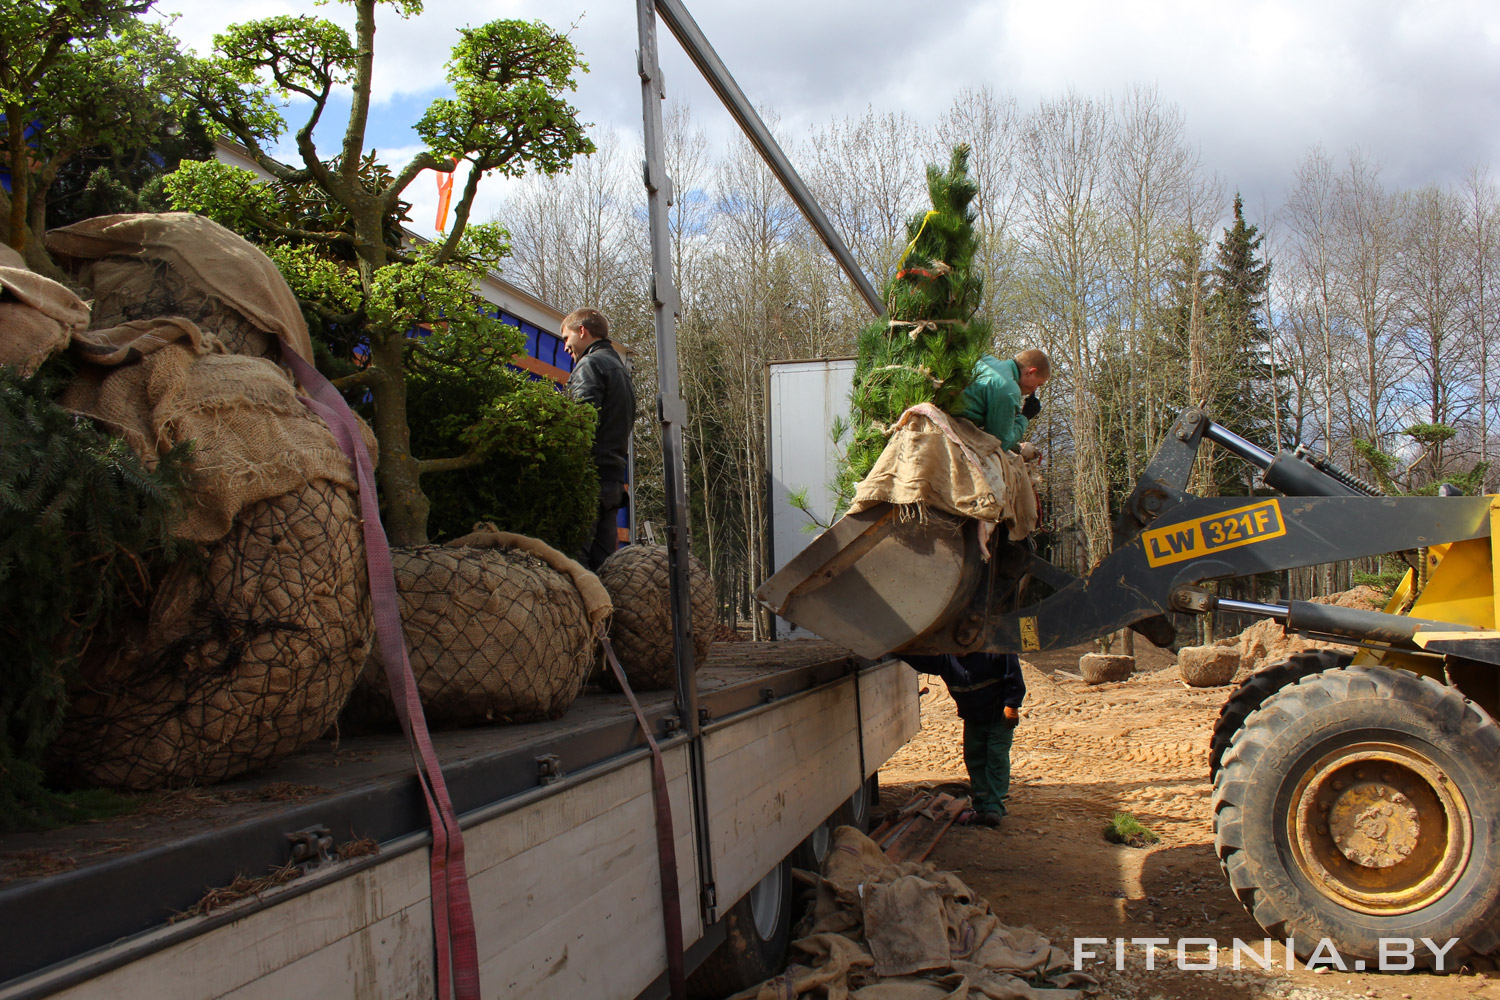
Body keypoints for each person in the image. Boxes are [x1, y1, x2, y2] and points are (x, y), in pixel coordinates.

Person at [905, 651, 1025, 827]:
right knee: (974, 758)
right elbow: (922, 660)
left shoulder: (993, 651)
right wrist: (898, 650)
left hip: (998, 716)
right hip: (972, 717)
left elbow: (1012, 673)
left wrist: (1012, 704)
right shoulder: (947, 659)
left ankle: (994, 807)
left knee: (996, 758)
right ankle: (982, 806)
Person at [561, 307, 637, 570]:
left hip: (590, 482)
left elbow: (580, 425)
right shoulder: (621, 371)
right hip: (613, 484)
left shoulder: (590, 365)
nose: (565, 348)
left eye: (566, 339)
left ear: (581, 331)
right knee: (604, 569)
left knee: (573, 567)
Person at [957, 348, 1050, 451]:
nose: (1034, 390)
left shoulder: (986, 358)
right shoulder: (1009, 390)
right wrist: (1024, 417)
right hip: (958, 423)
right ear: (1031, 372)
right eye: (1038, 384)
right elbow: (1000, 443)